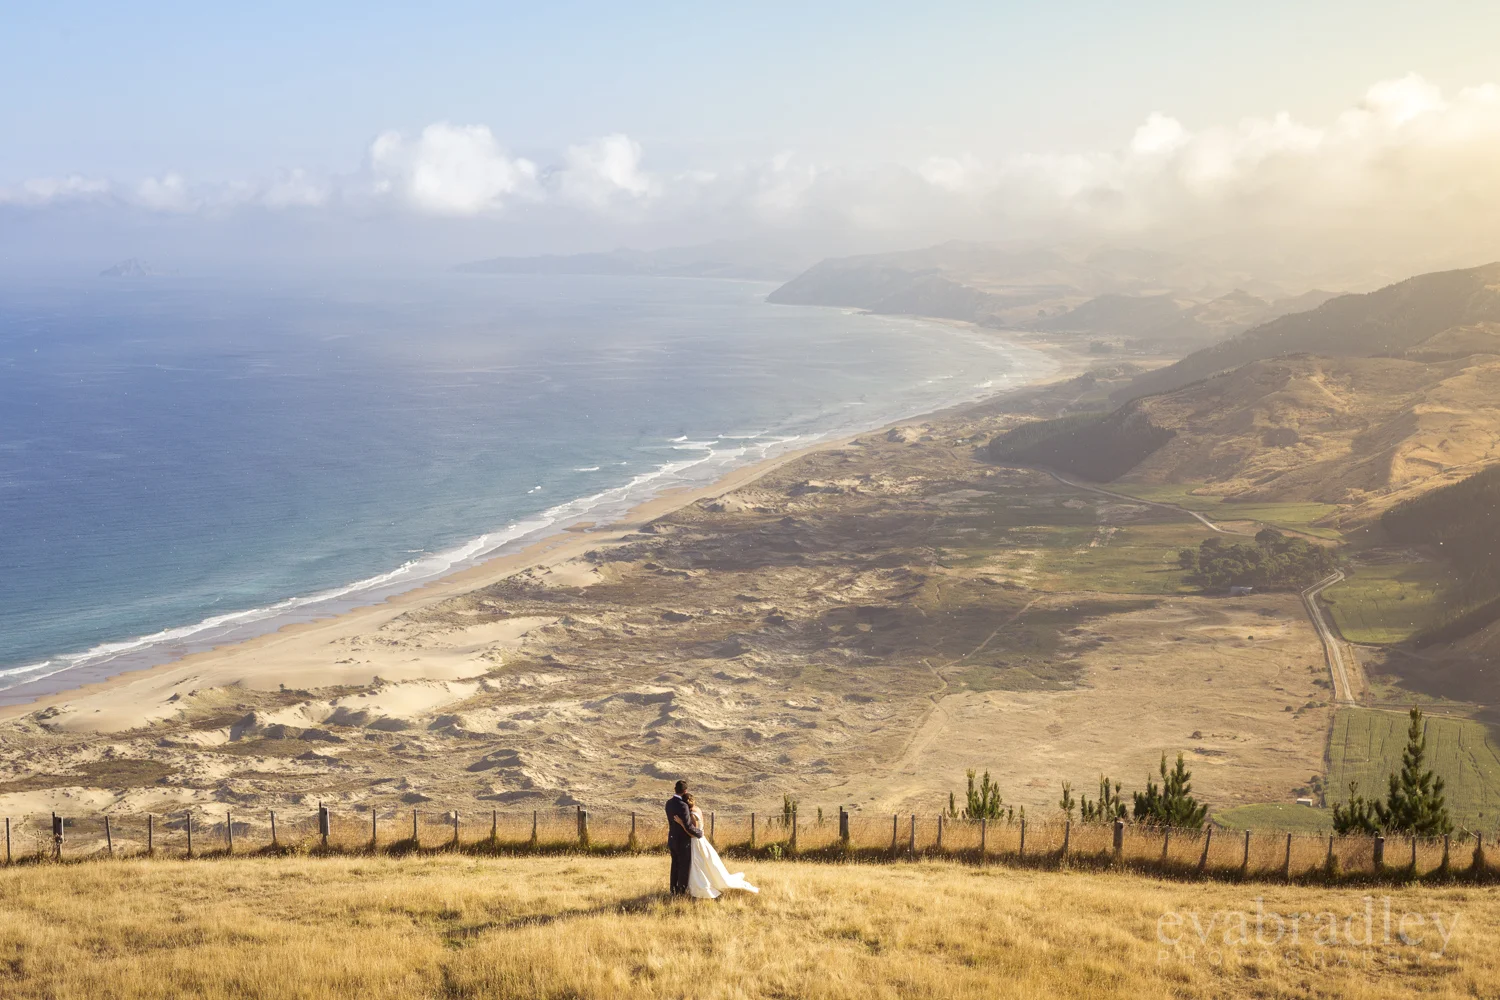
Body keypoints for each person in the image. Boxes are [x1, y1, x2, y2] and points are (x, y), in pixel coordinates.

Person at [682, 791, 759, 899]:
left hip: (696, 841)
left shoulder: (691, 814)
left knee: (698, 864)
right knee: (706, 863)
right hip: (702, 840)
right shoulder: (697, 809)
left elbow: (693, 832)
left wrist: (682, 824)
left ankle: (703, 887)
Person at [665, 779, 702, 895]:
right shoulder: (683, 806)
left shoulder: (668, 803)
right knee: (683, 867)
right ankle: (681, 891)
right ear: (685, 791)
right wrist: (699, 833)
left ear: (675, 789)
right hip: (682, 841)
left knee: (674, 865)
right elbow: (688, 826)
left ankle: (673, 889)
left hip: (672, 838)